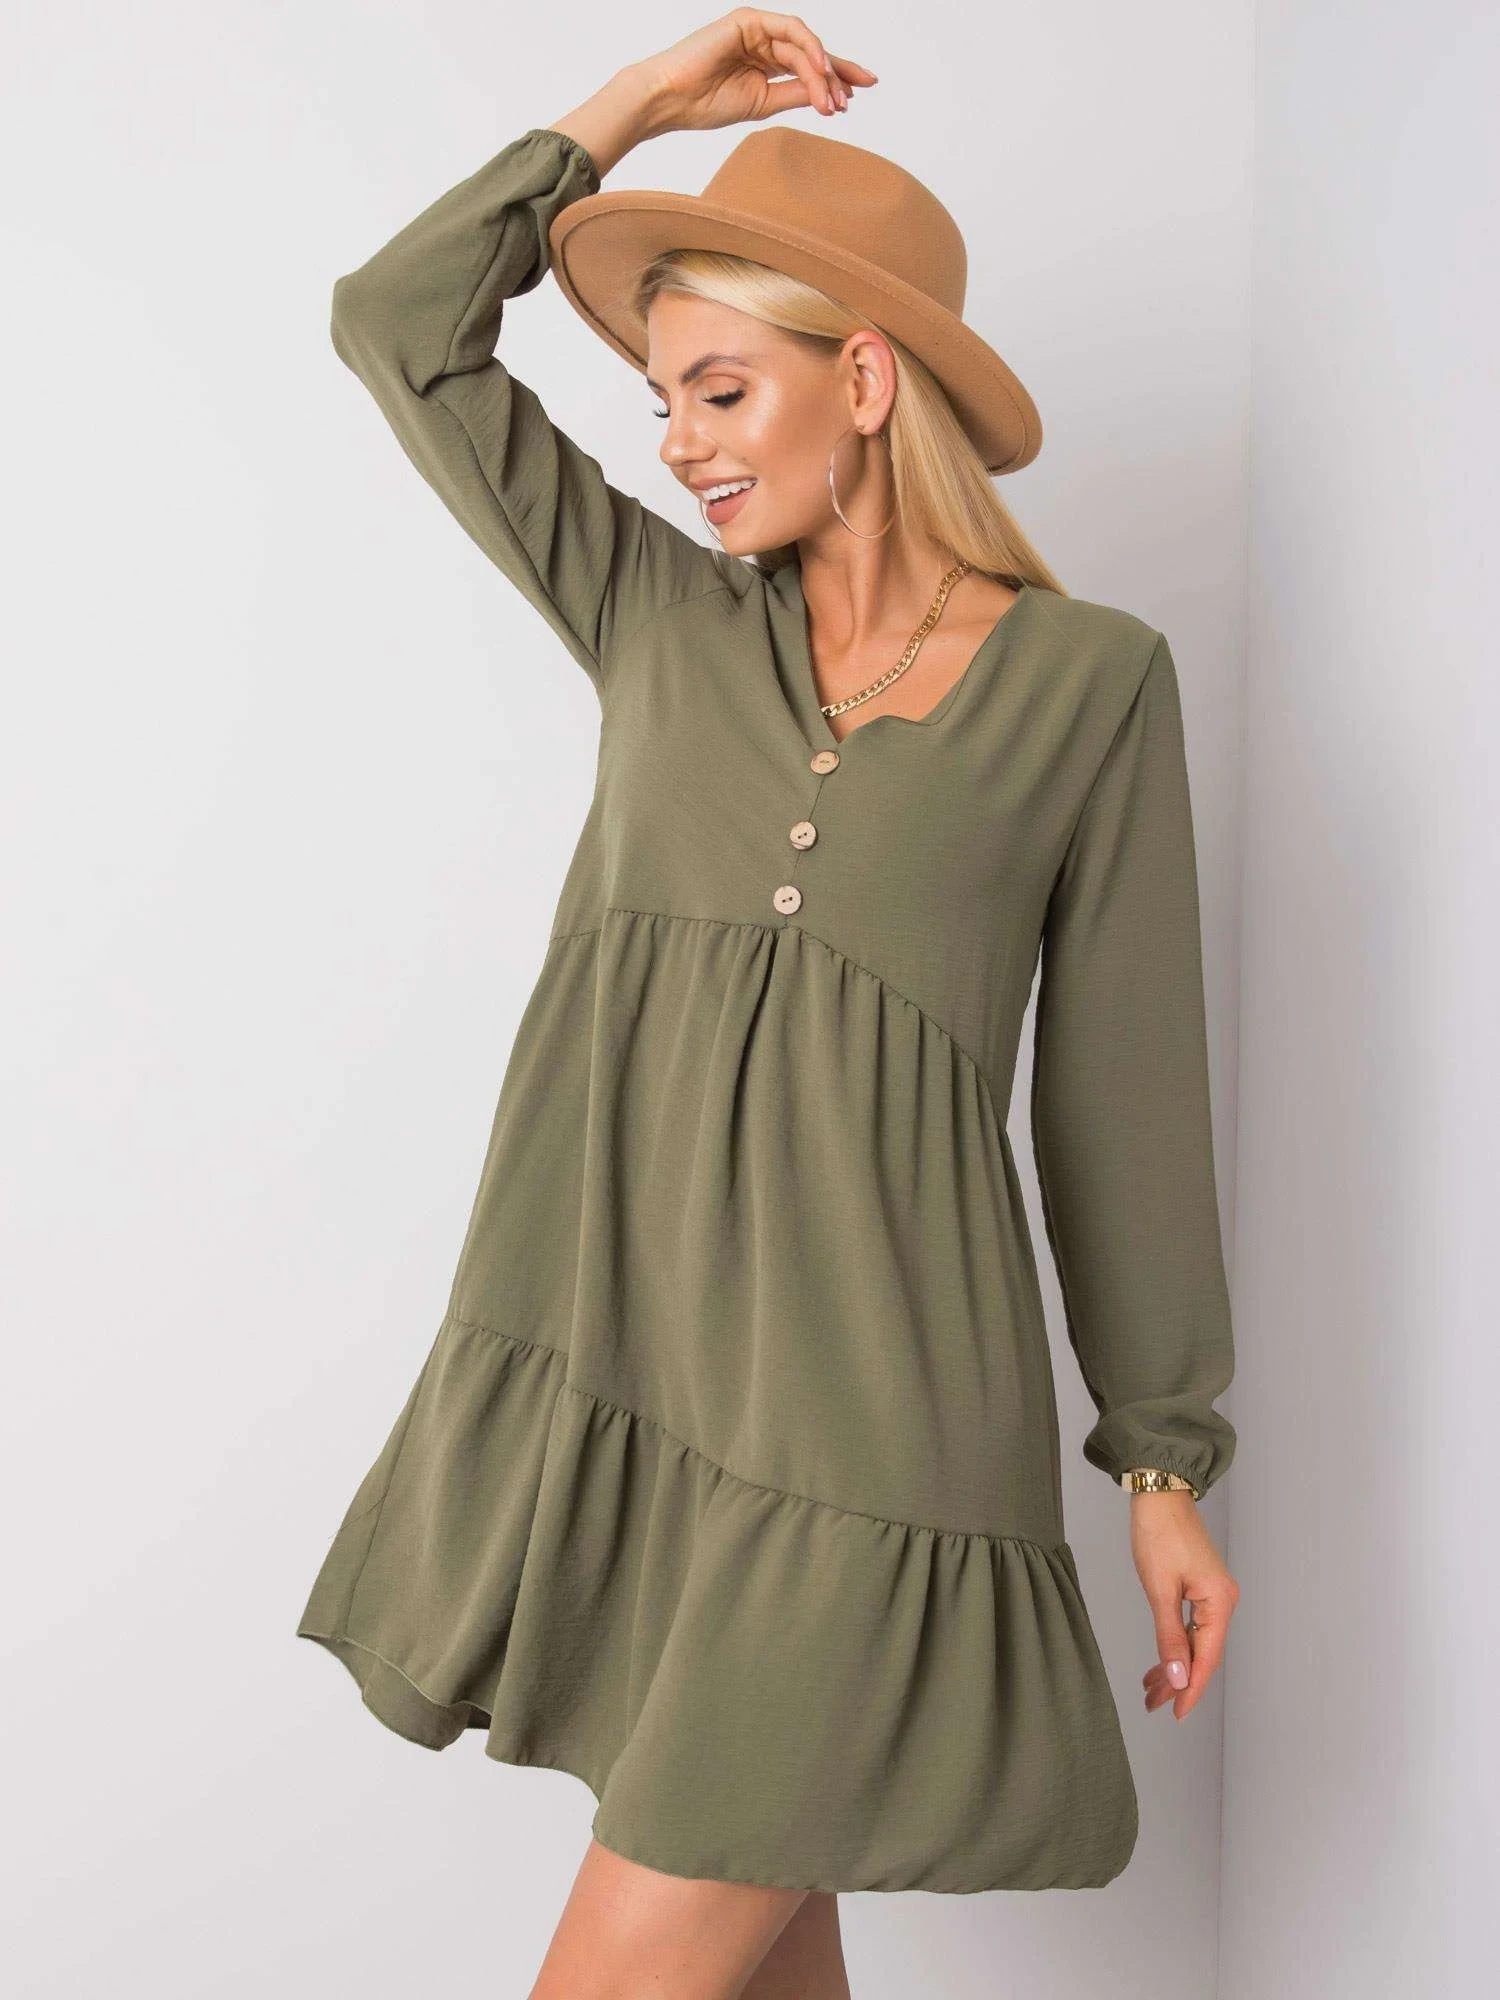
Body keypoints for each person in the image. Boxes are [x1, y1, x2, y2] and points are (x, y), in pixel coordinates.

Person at [295, 13, 1241, 1996]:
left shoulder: (1090, 687)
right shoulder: (658, 621)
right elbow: (397, 324)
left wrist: (1163, 1468)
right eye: (663, 401)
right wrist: (639, 108)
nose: (680, 443)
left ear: (865, 379)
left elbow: (1124, 1104)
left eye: (721, 389)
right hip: (657, 1398)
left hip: (884, 1448)